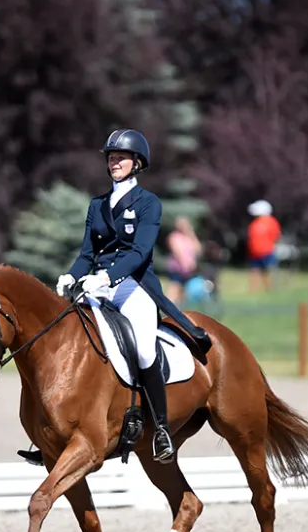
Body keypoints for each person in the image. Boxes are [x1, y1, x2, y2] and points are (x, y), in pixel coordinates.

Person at [56, 129, 212, 464]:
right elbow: (87, 252)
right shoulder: (97, 205)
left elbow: (140, 253)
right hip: (97, 285)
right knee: (73, 338)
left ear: (137, 163)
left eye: (120, 157)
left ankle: (160, 429)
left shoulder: (148, 203)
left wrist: (107, 277)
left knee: (142, 348)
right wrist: (72, 274)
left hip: (134, 287)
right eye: (111, 157)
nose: (114, 162)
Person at [165, 217, 203, 306]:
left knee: (183, 292)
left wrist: (191, 234)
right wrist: (185, 263)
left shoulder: (189, 237)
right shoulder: (174, 236)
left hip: (189, 270)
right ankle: (166, 308)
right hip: (177, 268)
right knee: (174, 289)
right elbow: (177, 251)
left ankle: (179, 311)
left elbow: (198, 249)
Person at [246, 199, 282, 292]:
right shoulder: (255, 223)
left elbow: (276, 236)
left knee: (266, 271)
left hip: (267, 252)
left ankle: (269, 290)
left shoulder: (271, 222)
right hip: (254, 252)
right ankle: (253, 290)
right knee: (254, 271)